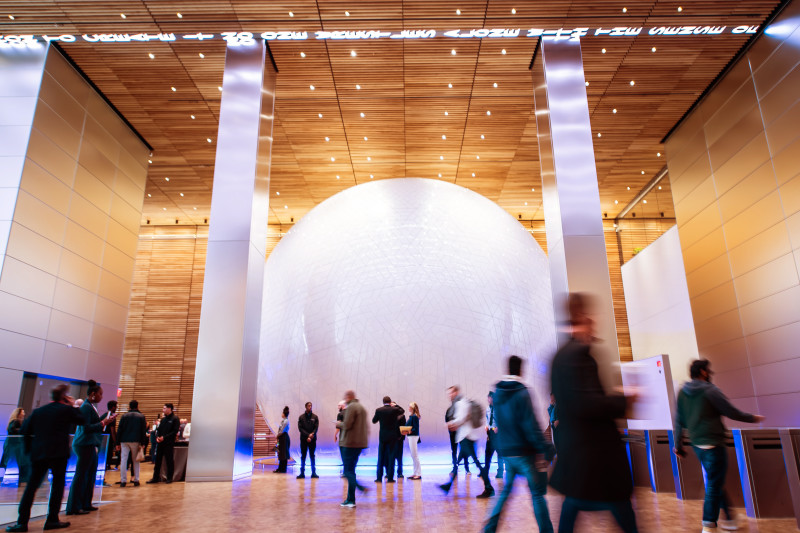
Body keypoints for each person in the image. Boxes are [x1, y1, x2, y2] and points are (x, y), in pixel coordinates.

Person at [549, 293, 638, 533]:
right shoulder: (577, 356)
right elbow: (587, 403)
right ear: (581, 316)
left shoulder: (561, 356)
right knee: (617, 503)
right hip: (594, 452)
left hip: (580, 453)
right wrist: (623, 399)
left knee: (575, 503)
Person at [673, 359, 765, 532]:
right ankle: (708, 524)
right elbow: (730, 411)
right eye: (709, 370)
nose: (711, 373)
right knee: (714, 484)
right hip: (714, 443)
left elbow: (678, 419)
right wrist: (753, 418)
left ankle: (729, 519)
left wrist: (678, 444)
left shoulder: (682, 392)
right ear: (702, 372)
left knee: (715, 480)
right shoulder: (710, 390)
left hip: (697, 444)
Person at [483, 355, 555, 533]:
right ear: (521, 370)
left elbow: (499, 422)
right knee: (537, 494)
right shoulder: (523, 392)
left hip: (507, 452)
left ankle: (489, 529)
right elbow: (530, 425)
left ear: (507, 369)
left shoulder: (498, 393)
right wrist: (546, 449)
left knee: (506, 491)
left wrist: (501, 447)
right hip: (524, 454)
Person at [6, 385, 85, 532]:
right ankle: (52, 520)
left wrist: (29, 450)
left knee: (31, 488)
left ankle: (22, 522)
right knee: (57, 487)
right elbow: (82, 420)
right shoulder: (66, 410)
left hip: (39, 454)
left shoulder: (38, 412)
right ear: (63, 397)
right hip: (58, 455)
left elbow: (24, 431)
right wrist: (72, 405)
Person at [66, 380, 115, 516]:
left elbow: (94, 425)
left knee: (90, 475)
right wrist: (103, 422)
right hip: (84, 444)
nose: (102, 396)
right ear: (93, 394)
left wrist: (104, 422)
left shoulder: (91, 407)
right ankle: (74, 506)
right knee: (81, 475)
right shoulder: (86, 407)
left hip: (90, 444)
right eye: (100, 394)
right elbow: (86, 428)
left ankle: (86, 502)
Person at [439, 385, 494, 498]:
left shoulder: (461, 403)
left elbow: (461, 418)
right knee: (459, 463)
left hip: (466, 437)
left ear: (456, 392)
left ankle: (488, 488)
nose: (449, 396)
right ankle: (448, 485)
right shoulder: (464, 402)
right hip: (467, 437)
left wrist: (450, 424)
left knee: (476, 463)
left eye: (451, 393)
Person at [337, 390, 369, 508]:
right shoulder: (362, 408)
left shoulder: (351, 407)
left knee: (347, 472)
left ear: (349, 397)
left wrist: (338, 424)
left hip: (349, 444)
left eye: (346, 397)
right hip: (359, 444)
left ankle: (361, 488)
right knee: (351, 471)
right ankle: (351, 500)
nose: (345, 399)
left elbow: (347, 425)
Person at [372, 396, 404, 483]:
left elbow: (374, 421)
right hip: (392, 437)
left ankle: (379, 478)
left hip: (382, 437)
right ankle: (390, 478)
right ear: (390, 402)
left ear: (383, 402)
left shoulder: (379, 410)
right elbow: (402, 410)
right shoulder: (395, 410)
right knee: (391, 457)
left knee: (381, 457)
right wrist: (395, 405)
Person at [116, 400, 147, 487]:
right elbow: (143, 430)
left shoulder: (124, 416)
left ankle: (123, 481)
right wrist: (143, 442)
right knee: (135, 461)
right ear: (137, 406)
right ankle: (136, 480)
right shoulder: (141, 416)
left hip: (124, 440)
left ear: (129, 407)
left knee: (123, 460)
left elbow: (120, 430)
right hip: (136, 440)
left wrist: (117, 443)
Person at [147, 403, 180, 484]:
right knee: (157, 461)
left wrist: (164, 437)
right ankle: (155, 478)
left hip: (169, 443)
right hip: (160, 443)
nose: (163, 410)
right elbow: (159, 430)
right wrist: (158, 437)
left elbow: (174, 431)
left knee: (169, 461)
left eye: (164, 408)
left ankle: (169, 478)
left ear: (170, 409)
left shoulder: (175, 419)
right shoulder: (163, 419)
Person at [1, 408, 30, 484]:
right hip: (14, 446)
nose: (24, 413)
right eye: (22, 412)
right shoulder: (15, 422)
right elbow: (13, 431)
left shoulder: (17, 422)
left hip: (15, 445)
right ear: (19, 413)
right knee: (17, 462)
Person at [446, 395, 470, 474]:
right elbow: (447, 422)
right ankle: (455, 468)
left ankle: (467, 468)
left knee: (463, 450)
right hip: (453, 434)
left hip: (460, 433)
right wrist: (451, 428)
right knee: (454, 451)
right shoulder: (449, 410)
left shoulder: (460, 410)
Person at [485, 392, 505, 479]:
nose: (489, 399)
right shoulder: (487, 409)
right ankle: (485, 471)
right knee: (488, 453)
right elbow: (487, 419)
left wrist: (498, 427)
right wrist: (487, 429)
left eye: (490, 398)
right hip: (490, 432)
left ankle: (500, 472)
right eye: (488, 398)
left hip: (498, 434)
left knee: (499, 453)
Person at [297, 402, 319, 479]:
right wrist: (307, 435)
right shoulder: (301, 417)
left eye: (311, 406)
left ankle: (313, 473)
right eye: (309, 406)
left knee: (312, 456)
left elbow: (316, 428)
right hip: (304, 440)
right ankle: (302, 473)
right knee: (303, 456)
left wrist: (311, 435)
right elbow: (300, 429)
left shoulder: (315, 417)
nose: (310, 407)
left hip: (312, 440)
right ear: (305, 407)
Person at [405, 402, 422, 480]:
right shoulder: (412, 416)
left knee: (415, 455)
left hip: (413, 436)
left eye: (409, 407)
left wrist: (409, 430)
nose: (408, 408)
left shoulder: (414, 417)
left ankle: (418, 473)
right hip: (410, 436)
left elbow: (415, 428)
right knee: (413, 455)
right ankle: (415, 472)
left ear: (412, 408)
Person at [101, 401, 118, 474]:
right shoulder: (111, 417)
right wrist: (116, 442)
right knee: (108, 453)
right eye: (116, 406)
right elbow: (112, 430)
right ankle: (107, 466)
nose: (117, 408)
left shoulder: (104, 415)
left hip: (102, 438)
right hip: (108, 439)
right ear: (113, 407)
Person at [275, 406, 290, 473]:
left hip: (284, 438)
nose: (281, 414)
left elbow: (282, 431)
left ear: (284, 414)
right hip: (281, 438)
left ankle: (283, 469)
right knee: (280, 453)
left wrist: (277, 436)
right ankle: (280, 468)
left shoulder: (286, 421)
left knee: (284, 454)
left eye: (282, 413)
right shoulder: (283, 421)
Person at [334, 401, 346, 477]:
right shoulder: (350, 413)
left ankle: (345, 472)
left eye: (339, 405)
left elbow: (338, 426)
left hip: (343, 437)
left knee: (343, 454)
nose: (338, 407)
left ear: (342, 406)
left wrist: (335, 435)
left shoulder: (340, 414)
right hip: (350, 437)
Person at [394, 403, 406, 479]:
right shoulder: (391, 415)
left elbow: (404, 428)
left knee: (399, 457)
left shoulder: (401, 416)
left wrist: (401, 437)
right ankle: (391, 473)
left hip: (399, 439)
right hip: (394, 438)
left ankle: (400, 472)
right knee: (393, 456)